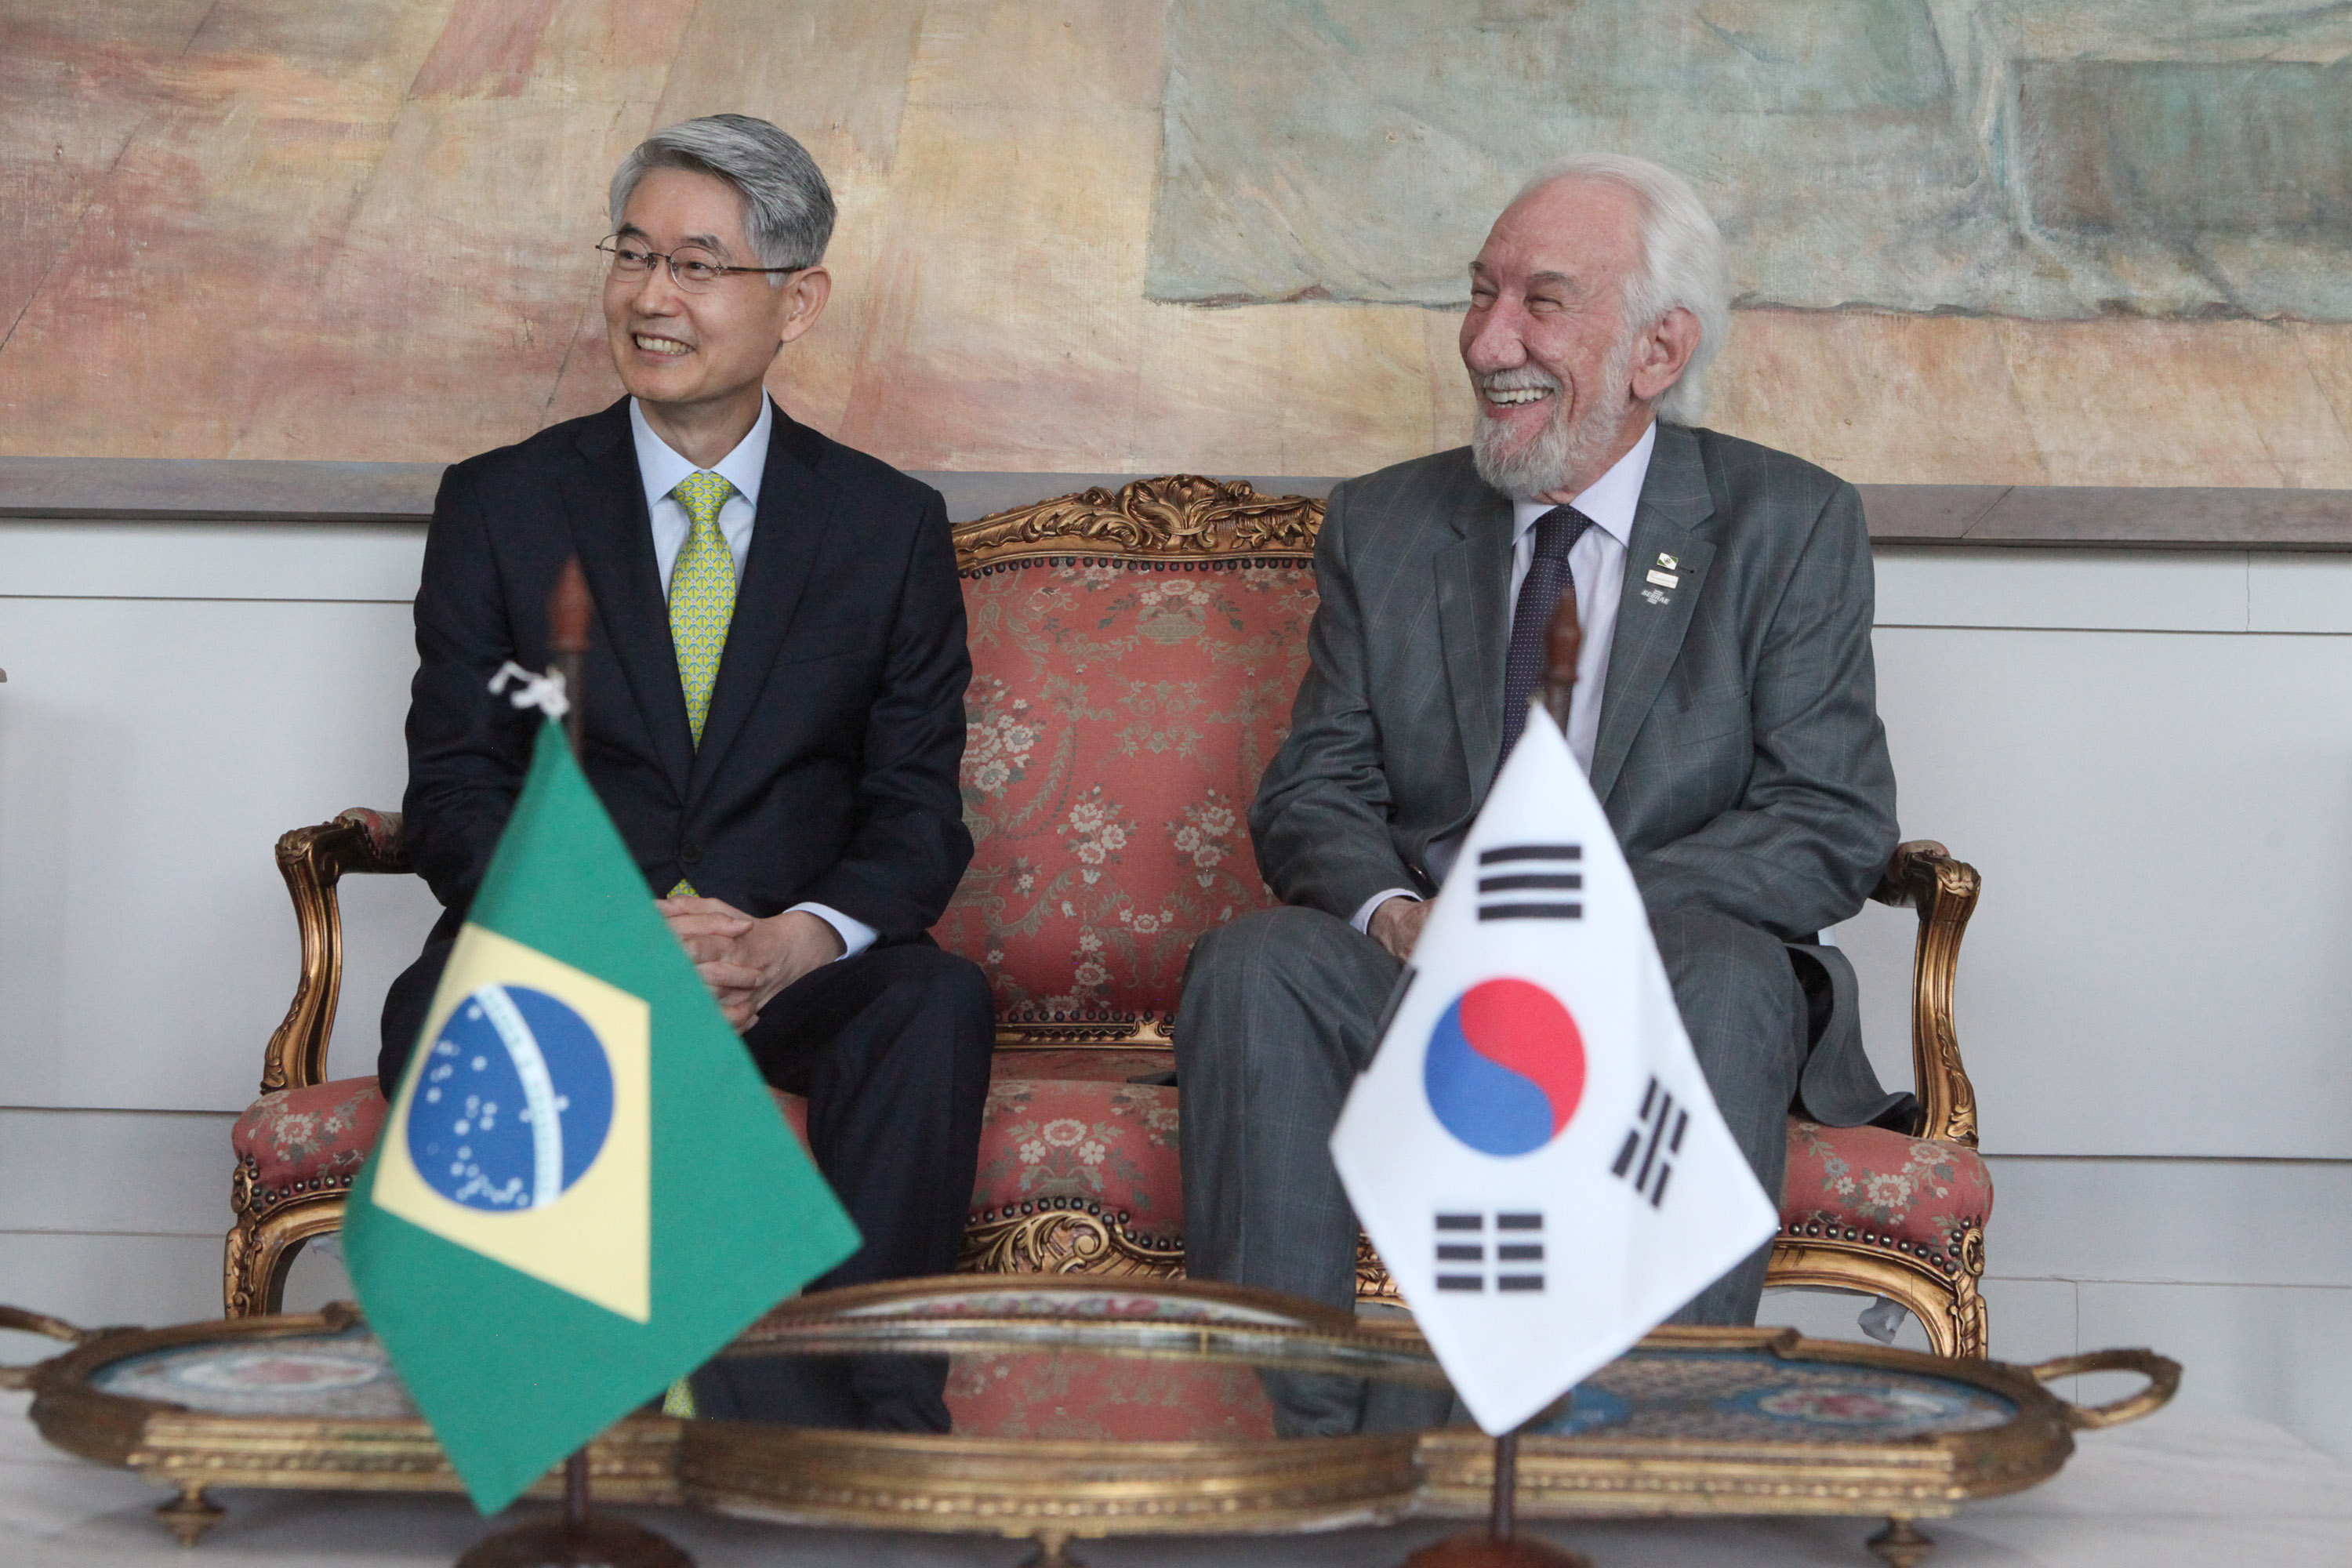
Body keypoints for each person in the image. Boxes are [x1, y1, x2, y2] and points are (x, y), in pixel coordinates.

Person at [1175, 154, 1905, 1338]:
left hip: (1657, 977)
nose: (1486, 342)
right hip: (1431, 982)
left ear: (1658, 352)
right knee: (1257, 965)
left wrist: (1560, 912)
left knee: (1732, 972)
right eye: (1480, 294)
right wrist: (1402, 919)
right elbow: (1316, 790)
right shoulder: (1387, 522)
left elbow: (1827, 820)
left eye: (1540, 304)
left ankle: (1635, 1462)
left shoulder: (1788, 523)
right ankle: (1305, 1461)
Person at [379, 114, 993, 1428]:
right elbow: (459, 790)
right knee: (447, 999)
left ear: (798, 300)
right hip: (567, 941)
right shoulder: (503, 505)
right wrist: (613, 937)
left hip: (781, 960)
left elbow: (914, 810)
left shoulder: (887, 528)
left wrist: (789, 943)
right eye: (633, 254)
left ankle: (883, 1423)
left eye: (699, 265)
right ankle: (601, 1425)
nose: (652, 298)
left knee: (931, 1005)